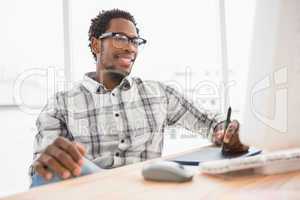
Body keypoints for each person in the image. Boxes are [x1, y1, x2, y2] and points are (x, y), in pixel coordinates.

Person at [30, 9, 248, 187]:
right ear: (96, 45)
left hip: (147, 190)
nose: (130, 47)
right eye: (120, 38)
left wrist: (228, 132)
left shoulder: (158, 93)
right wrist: (49, 162)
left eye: (135, 41)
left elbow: (212, 124)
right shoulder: (61, 103)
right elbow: (40, 172)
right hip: (91, 190)